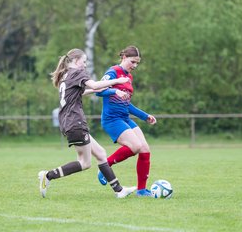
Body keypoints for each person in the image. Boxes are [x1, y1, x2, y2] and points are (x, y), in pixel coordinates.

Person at [38, 48, 136, 198]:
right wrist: (117, 81)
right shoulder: (77, 72)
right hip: (75, 122)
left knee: (101, 154)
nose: (85, 65)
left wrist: (109, 90)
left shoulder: (66, 74)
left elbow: (83, 92)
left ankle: (120, 191)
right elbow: (95, 85)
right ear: (76, 61)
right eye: (84, 62)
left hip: (70, 122)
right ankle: (48, 176)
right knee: (85, 163)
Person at [96, 45, 157, 197]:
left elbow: (127, 104)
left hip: (124, 118)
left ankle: (141, 190)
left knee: (144, 149)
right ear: (124, 57)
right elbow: (98, 91)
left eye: (137, 63)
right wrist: (115, 90)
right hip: (112, 119)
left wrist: (145, 116)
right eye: (133, 62)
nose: (135, 66)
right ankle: (105, 167)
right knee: (135, 146)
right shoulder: (113, 72)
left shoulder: (129, 77)